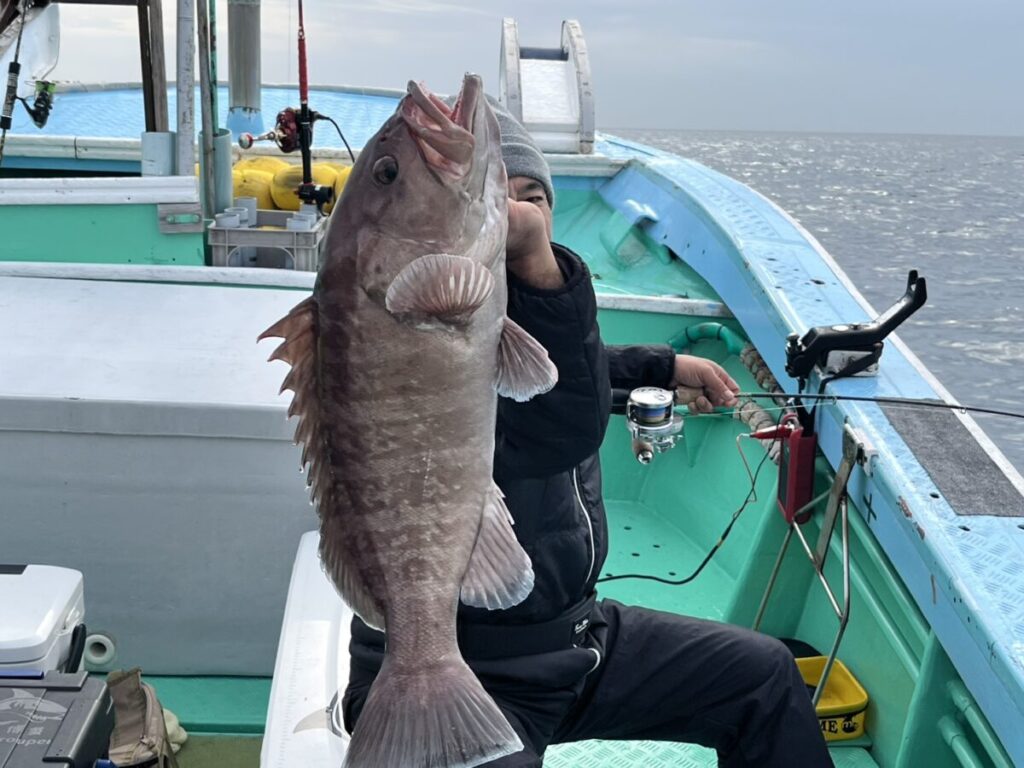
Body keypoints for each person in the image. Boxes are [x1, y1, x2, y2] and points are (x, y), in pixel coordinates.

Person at [342, 103, 834, 768]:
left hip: (574, 637)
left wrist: (658, 366)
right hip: (453, 660)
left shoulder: (490, 330)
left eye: (533, 196)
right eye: (496, 193)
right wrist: (541, 266)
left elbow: (565, 370)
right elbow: (559, 425)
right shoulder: (429, 327)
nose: (516, 210)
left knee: (765, 677)